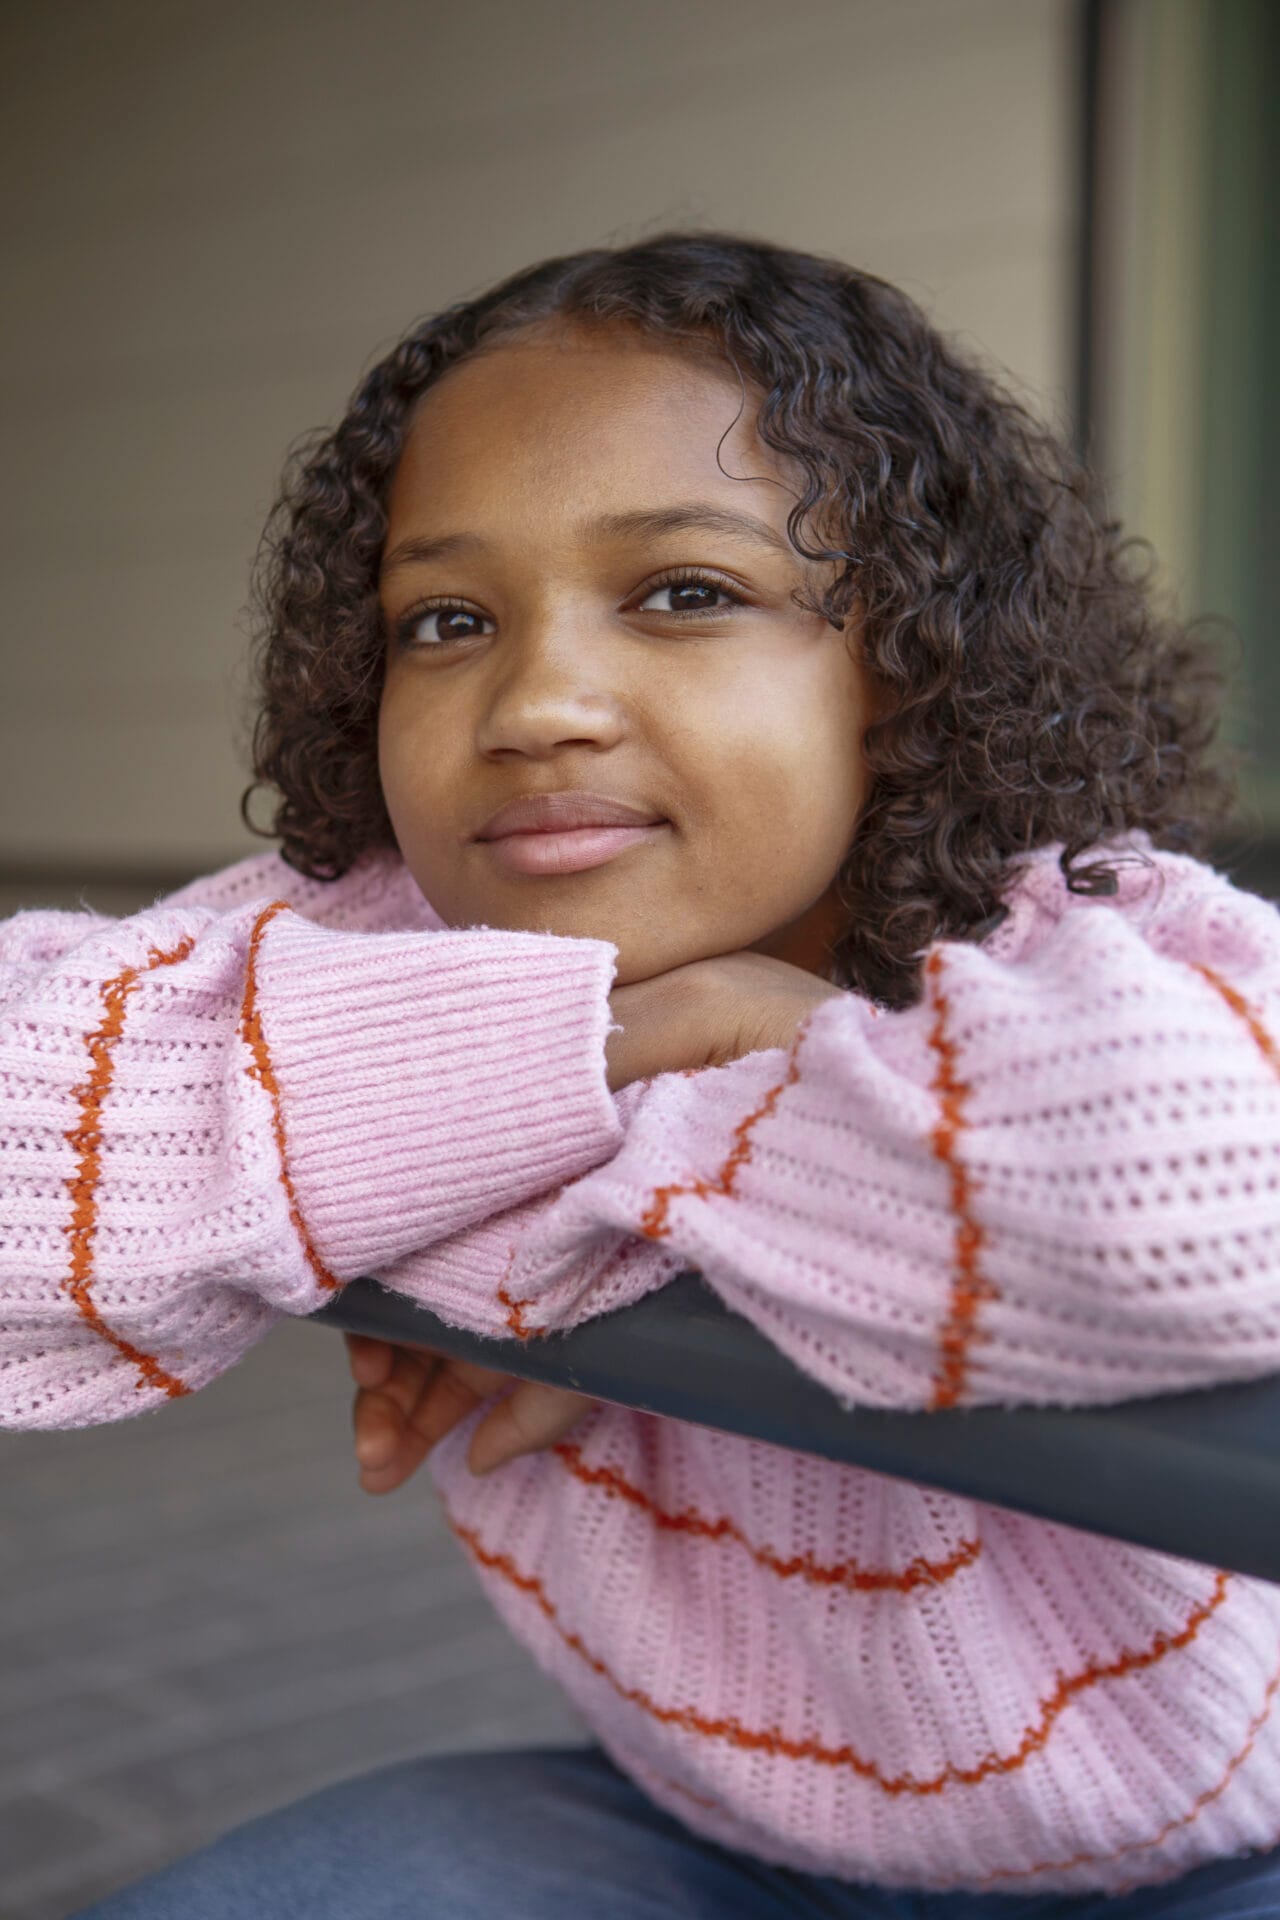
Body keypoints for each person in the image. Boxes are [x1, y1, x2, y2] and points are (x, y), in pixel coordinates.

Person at [4, 233, 1279, 1916]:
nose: (537, 701)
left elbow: (1185, 1212)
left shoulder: (1088, 924)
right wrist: (561, 1089)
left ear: (905, 668)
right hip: (699, 1841)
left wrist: (751, 1060)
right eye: (445, 619)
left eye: (686, 591)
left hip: (1213, 1854)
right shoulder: (400, 929)